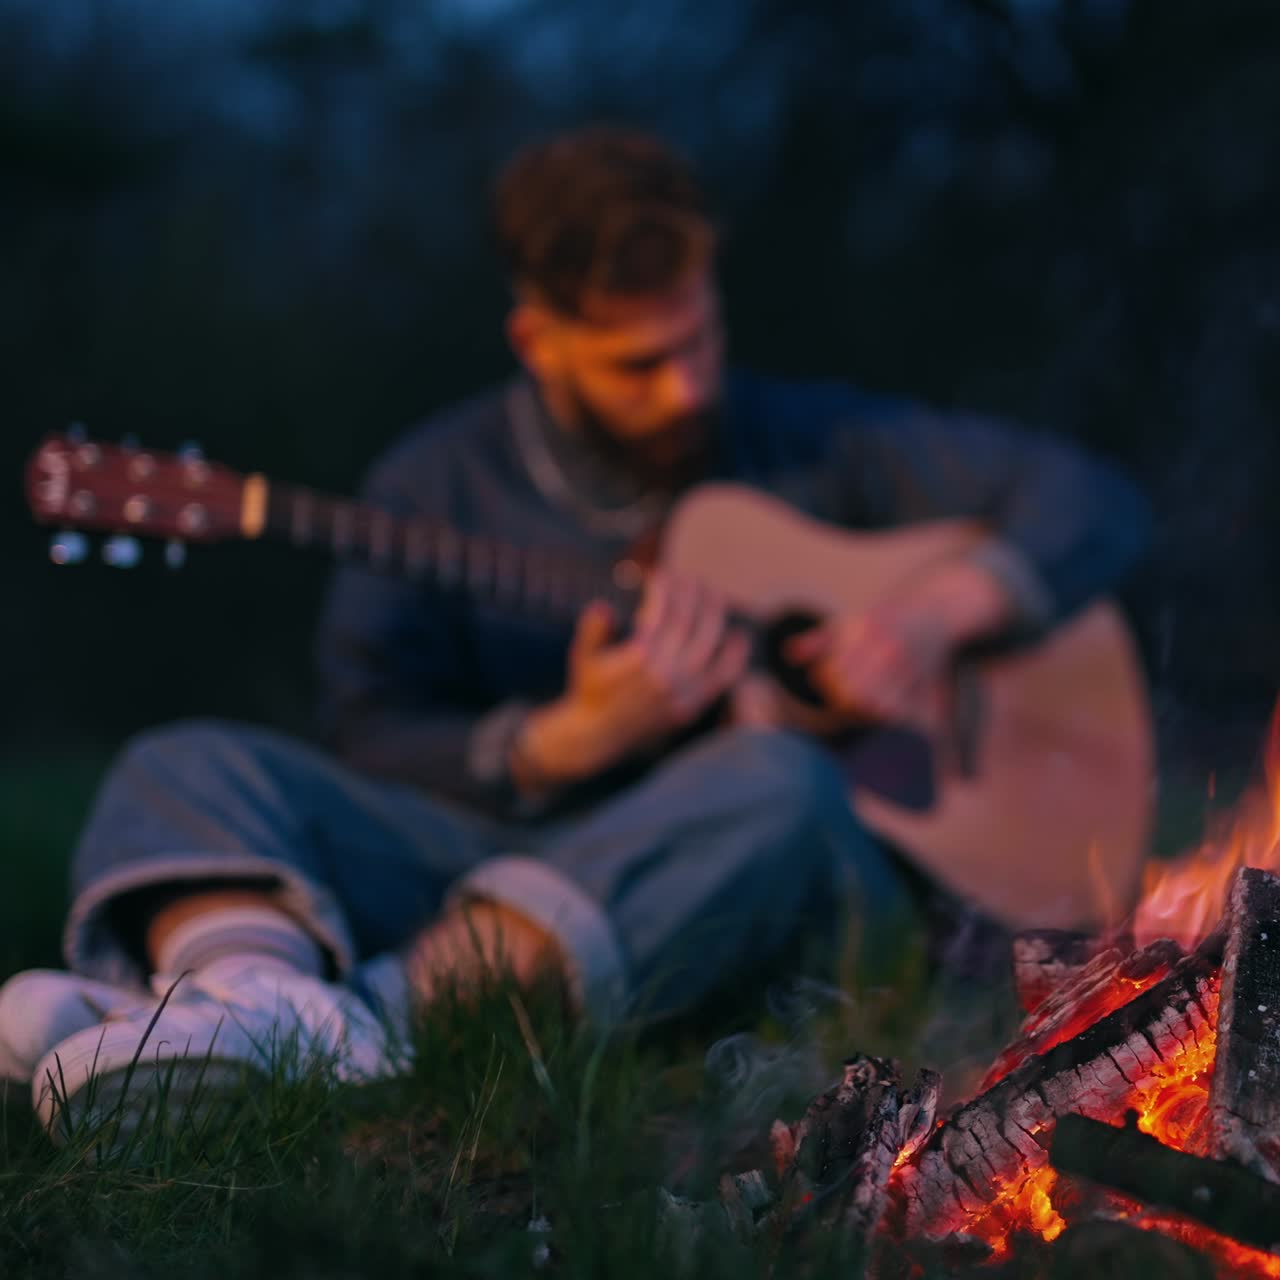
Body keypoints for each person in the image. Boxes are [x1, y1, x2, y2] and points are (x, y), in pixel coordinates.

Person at [0, 125, 1151, 1140]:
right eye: (638, 363)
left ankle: (353, 1024)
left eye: (699, 337)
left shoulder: (806, 439)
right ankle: (242, 993)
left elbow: (1091, 500)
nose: (688, 387)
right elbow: (366, 735)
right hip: (510, 852)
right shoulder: (432, 483)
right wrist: (559, 741)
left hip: (772, 860)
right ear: (537, 340)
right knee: (182, 760)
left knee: (771, 773)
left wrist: (931, 614)